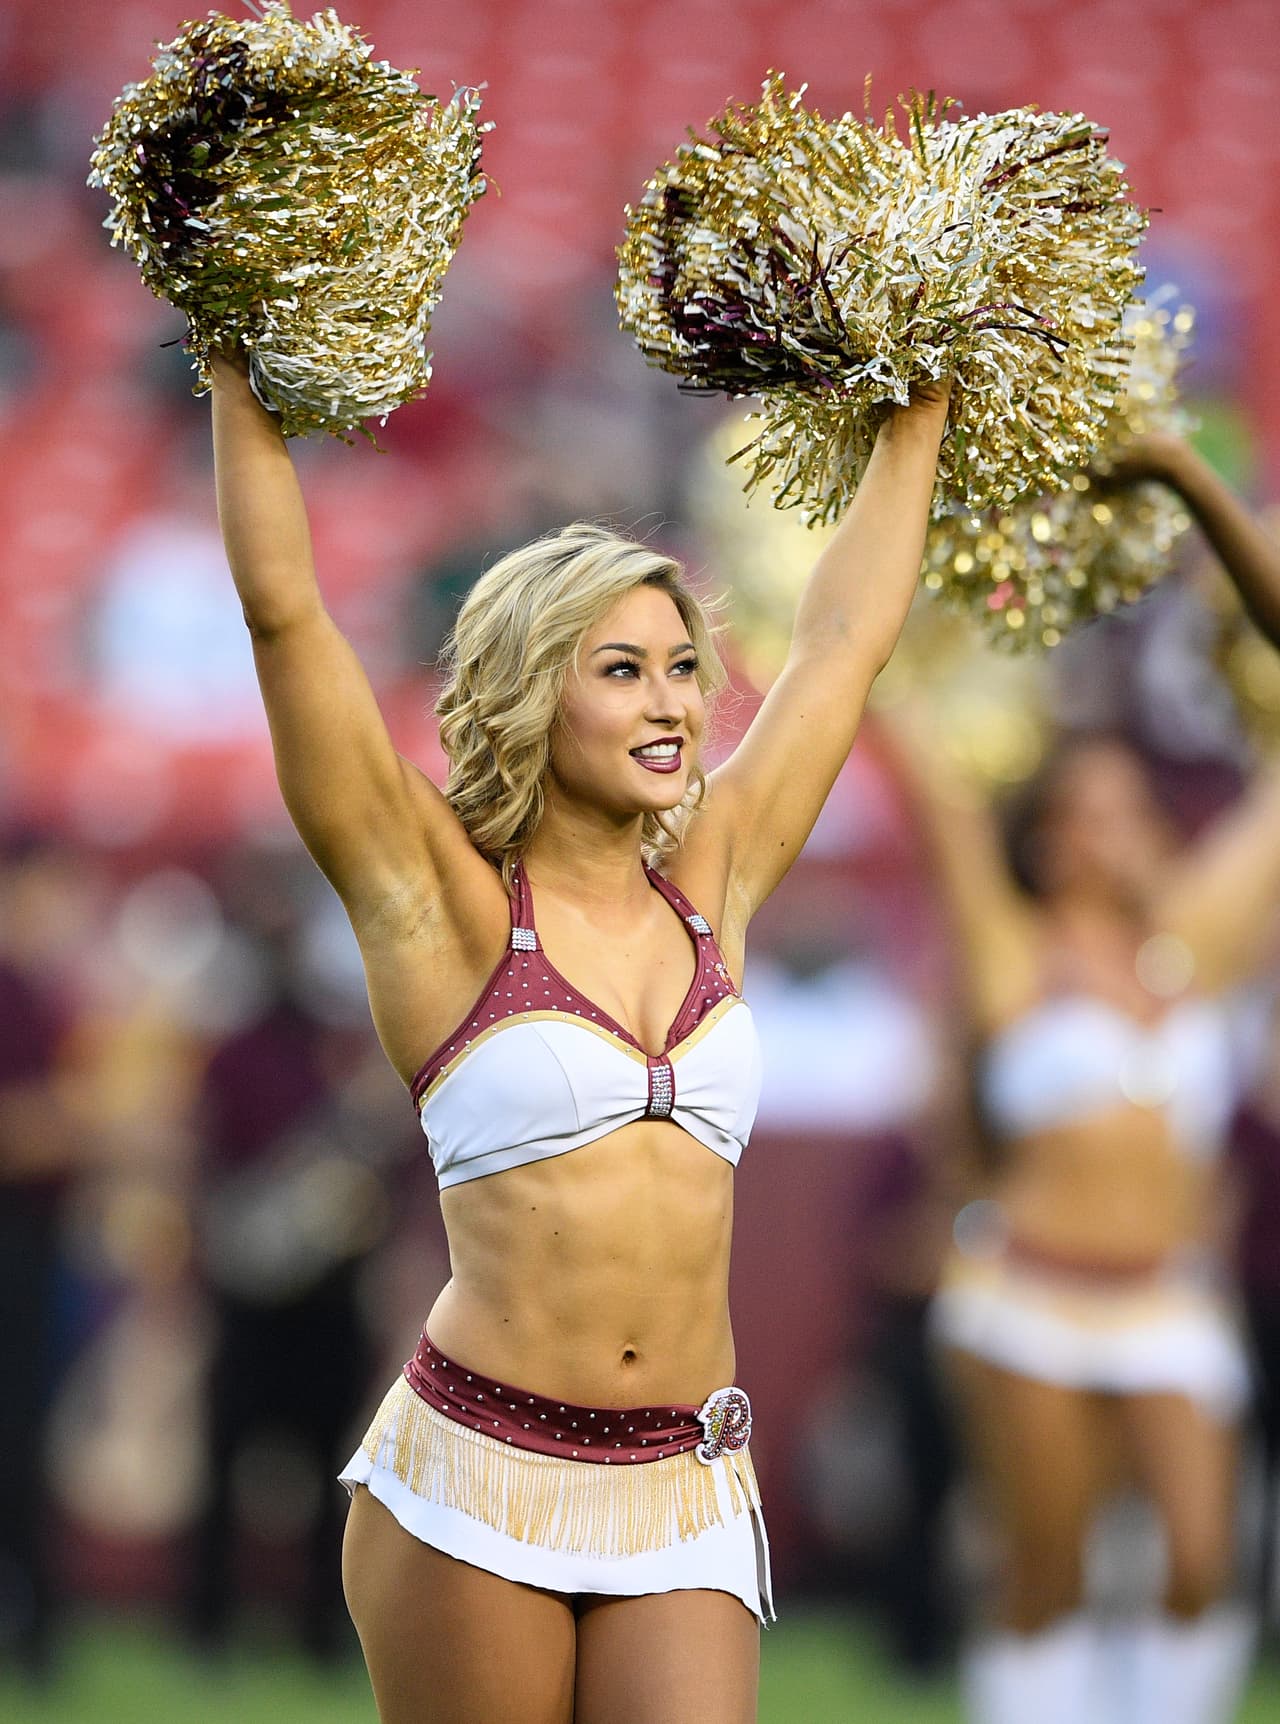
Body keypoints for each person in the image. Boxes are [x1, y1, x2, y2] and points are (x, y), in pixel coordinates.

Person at [208, 349, 949, 1724]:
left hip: (684, 1478)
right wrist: (233, 367)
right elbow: (284, 615)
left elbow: (847, 640)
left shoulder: (713, 869)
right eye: (623, 670)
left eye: (683, 669)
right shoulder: (440, 904)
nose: (674, 705)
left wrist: (920, 409)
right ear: (534, 688)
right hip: (480, 1469)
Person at [888, 669, 1280, 1724]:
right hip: (1024, 1292)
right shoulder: (1010, 949)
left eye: (1121, 808)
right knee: (1045, 1564)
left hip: (1168, 1296)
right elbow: (931, 784)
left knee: (1199, 1558)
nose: (1099, 833)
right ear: (1042, 831)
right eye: (1075, 810)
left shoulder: (1193, 943)